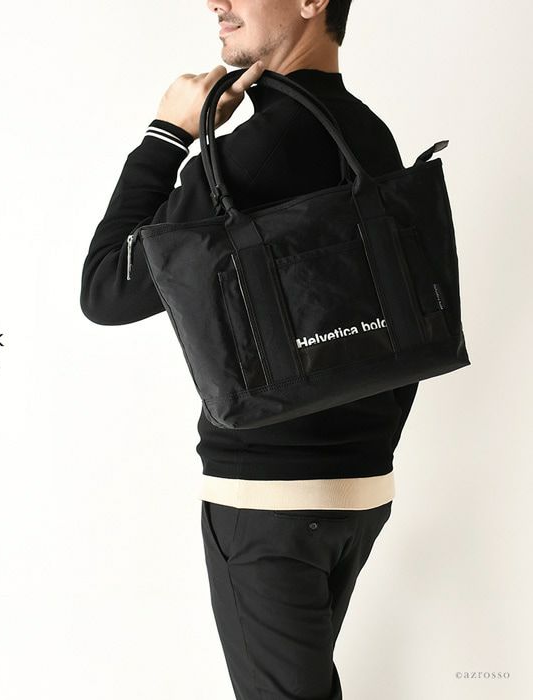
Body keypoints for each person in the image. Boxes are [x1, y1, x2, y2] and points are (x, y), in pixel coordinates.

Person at [80, 1, 416, 697]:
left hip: (267, 501)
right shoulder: (368, 134)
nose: (217, 2)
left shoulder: (254, 154)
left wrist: (168, 134)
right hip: (360, 488)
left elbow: (107, 289)